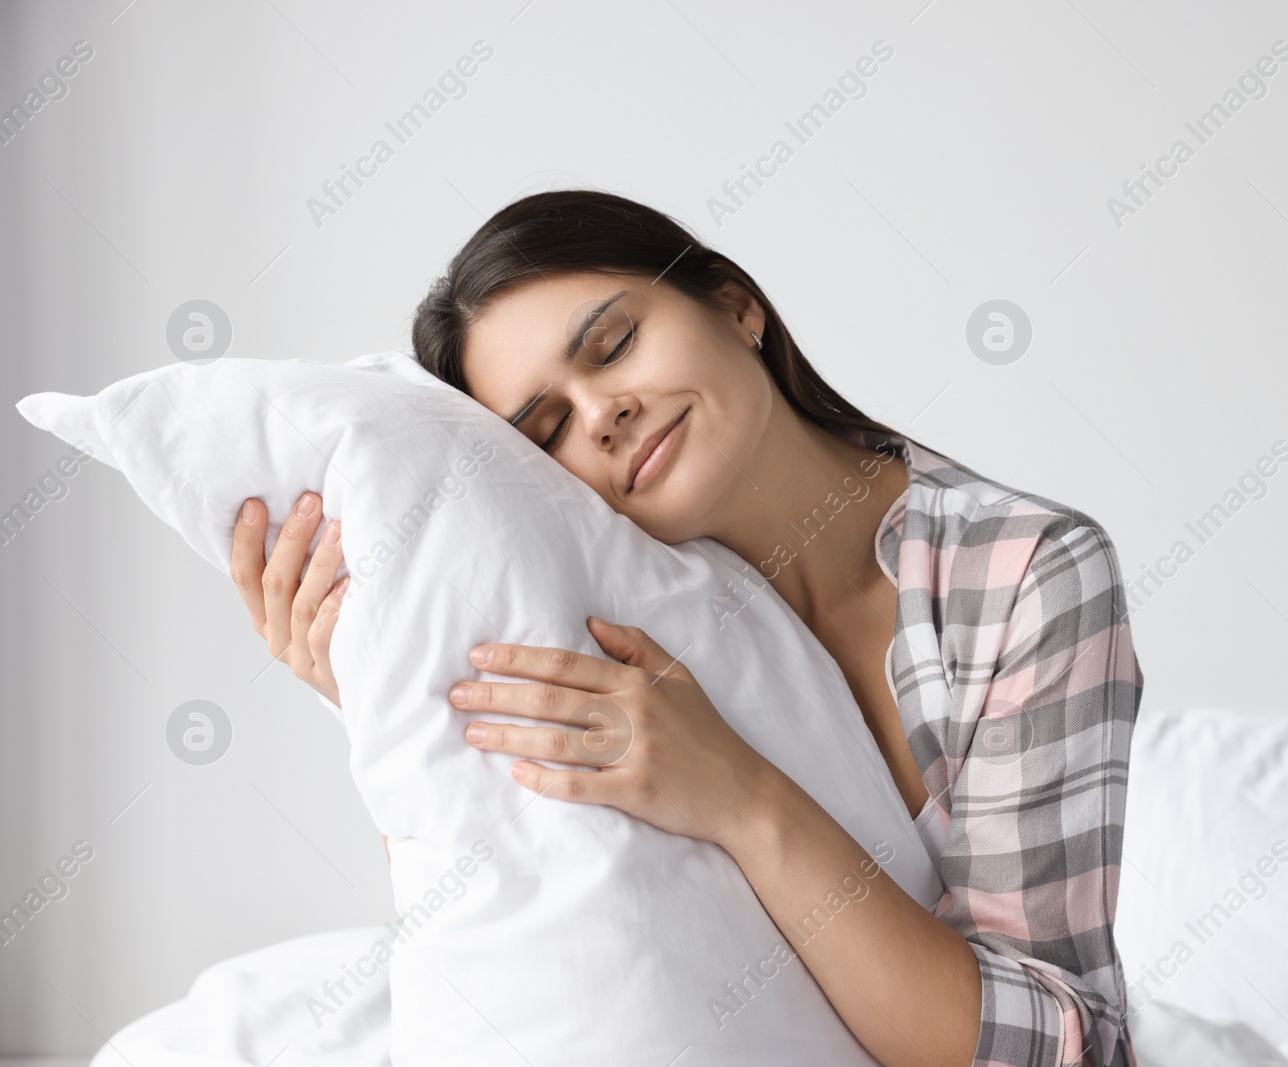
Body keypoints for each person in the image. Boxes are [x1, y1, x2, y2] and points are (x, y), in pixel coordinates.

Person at [228, 190, 1144, 1067]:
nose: (601, 414)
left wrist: (742, 796)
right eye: (547, 430)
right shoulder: (596, 619)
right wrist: (377, 695)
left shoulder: (1024, 571)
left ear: (735, 304)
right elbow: (520, 924)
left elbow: (1068, 1045)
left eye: (614, 344)